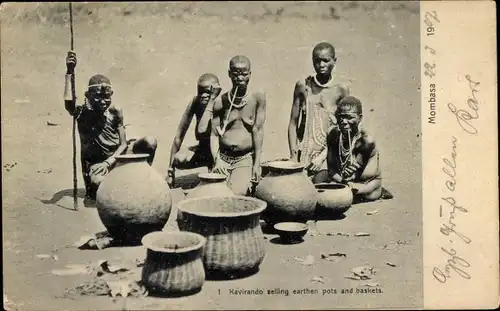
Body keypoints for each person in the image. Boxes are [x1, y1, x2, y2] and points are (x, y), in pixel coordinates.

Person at [64, 51, 157, 201]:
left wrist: (109, 162)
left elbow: (123, 144)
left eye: (106, 97)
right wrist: (70, 71)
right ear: (88, 96)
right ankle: (124, 185)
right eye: (97, 97)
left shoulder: (115, 111)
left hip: (117, 158)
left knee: (150, 141)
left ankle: (141, 177)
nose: (102, 102)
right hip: (97, 167)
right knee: (98, 183)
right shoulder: (82, 114)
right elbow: (69, 103)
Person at [287, 42, 350, 183]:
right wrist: (293, 155)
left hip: (330, 152)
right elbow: (292, 123)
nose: (321, 64)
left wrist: (322, 157)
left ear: (334, 61)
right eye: (317, 60)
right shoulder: (303, 86)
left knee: (321, 187)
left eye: (326, 60)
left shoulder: (341, 89)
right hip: (305, 152)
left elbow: (344, 129)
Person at [210, 55, 266, 195]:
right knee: (213, 195)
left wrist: (256, 164)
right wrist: (217, 160)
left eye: (244, 74)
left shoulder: (257, 98)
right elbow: (214, 134)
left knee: (235, 194)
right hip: (222, 158)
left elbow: (258, 131)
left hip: (244, 159)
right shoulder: (220, 102)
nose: (240, 77)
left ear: (250, 74)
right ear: (229, 74)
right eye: (235, 73)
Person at [325, 96, 387, 202]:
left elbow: (353, 171)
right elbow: (331, 169)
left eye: (349, 117)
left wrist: (346, 184)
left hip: (367, 186)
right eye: (341, 117)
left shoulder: (366, 140)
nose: (344, 121)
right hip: (345, 183)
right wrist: (343, 182)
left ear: (360, 118)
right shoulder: (333, 135)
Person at [166, 73, 222, 187]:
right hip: (203, 149)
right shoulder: (195, 102)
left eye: (208, 92)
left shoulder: (220, 103)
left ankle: (214, 169)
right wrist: (170, 171)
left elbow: (202, 129)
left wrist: (212, 101)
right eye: (200, 91)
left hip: (220, 152)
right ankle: (210, 166)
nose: (203, 95)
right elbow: (179, 135)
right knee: (179, 159)